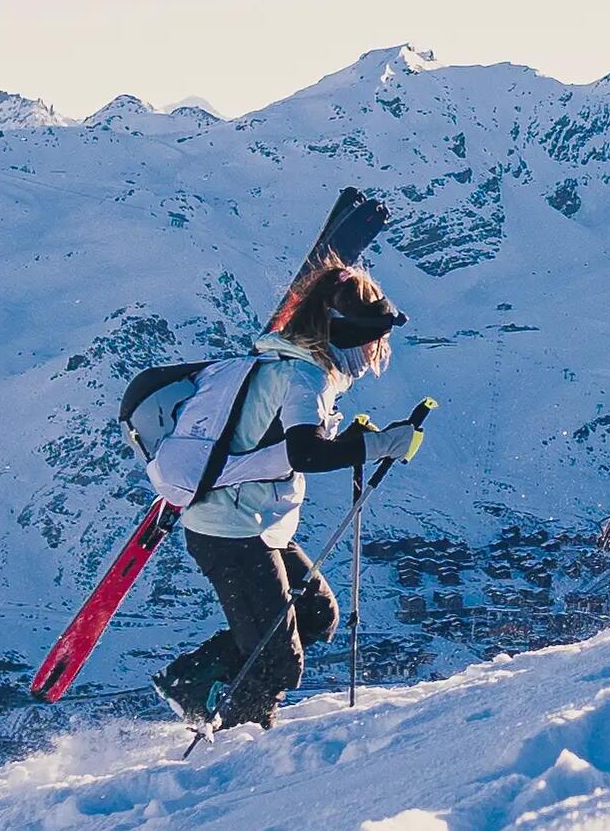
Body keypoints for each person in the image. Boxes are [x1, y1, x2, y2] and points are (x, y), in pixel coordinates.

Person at [152, 261, 427, 729]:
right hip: (232, 530)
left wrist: (354, 441)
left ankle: (194, 682)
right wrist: (381, 444)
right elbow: (306, 453)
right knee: (278, 661)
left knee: (316, 614)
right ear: (342, 333)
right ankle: (236, 745)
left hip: (256, 521)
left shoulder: (285, 364)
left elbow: (290, 444)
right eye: (371, 337)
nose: (374, 350)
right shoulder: (305, 377)